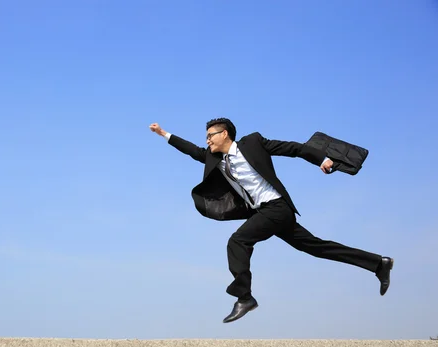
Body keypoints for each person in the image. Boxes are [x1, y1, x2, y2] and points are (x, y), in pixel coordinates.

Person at [149, 118, 393, 323]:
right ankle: (378, 263)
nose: (207, 141)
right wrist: (164, 134)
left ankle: (245, 297)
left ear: (224, 134)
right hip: (264, 212)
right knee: (316, 247)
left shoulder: (253, 143)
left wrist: (321, 159)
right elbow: (192, 150)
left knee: (238, 241)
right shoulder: (216, 160)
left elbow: (293, 148)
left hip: (276, 207)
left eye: (211, 136)